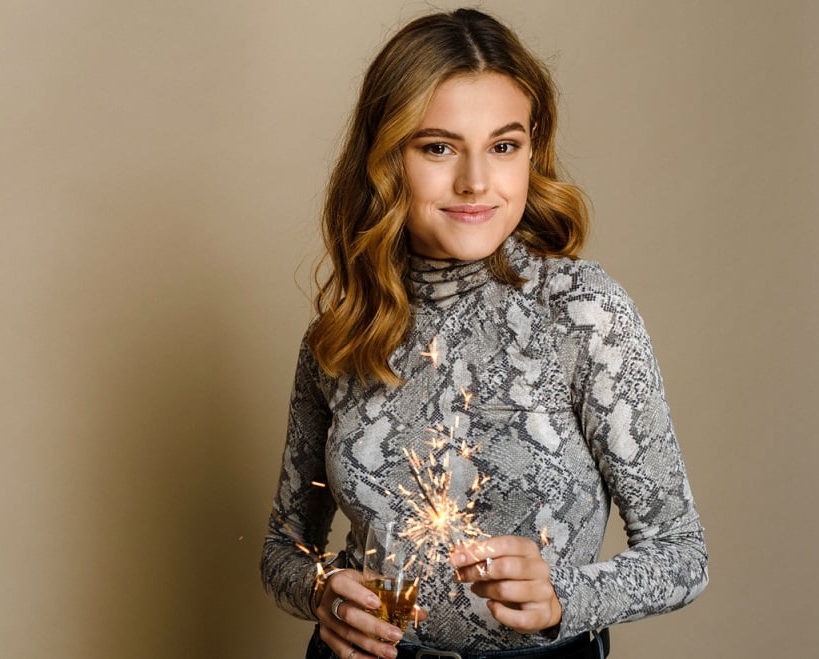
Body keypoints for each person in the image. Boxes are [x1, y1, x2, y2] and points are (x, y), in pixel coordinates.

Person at [260, 8, 708, 659]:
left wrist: (564, 597)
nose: (475, 181)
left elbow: (682, 554)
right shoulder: (342, 333)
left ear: (532, 149)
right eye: (438, 145)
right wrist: (322, 588)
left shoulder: (583, 312)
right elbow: (282, 546)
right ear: (387, 158)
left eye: (503, 145)